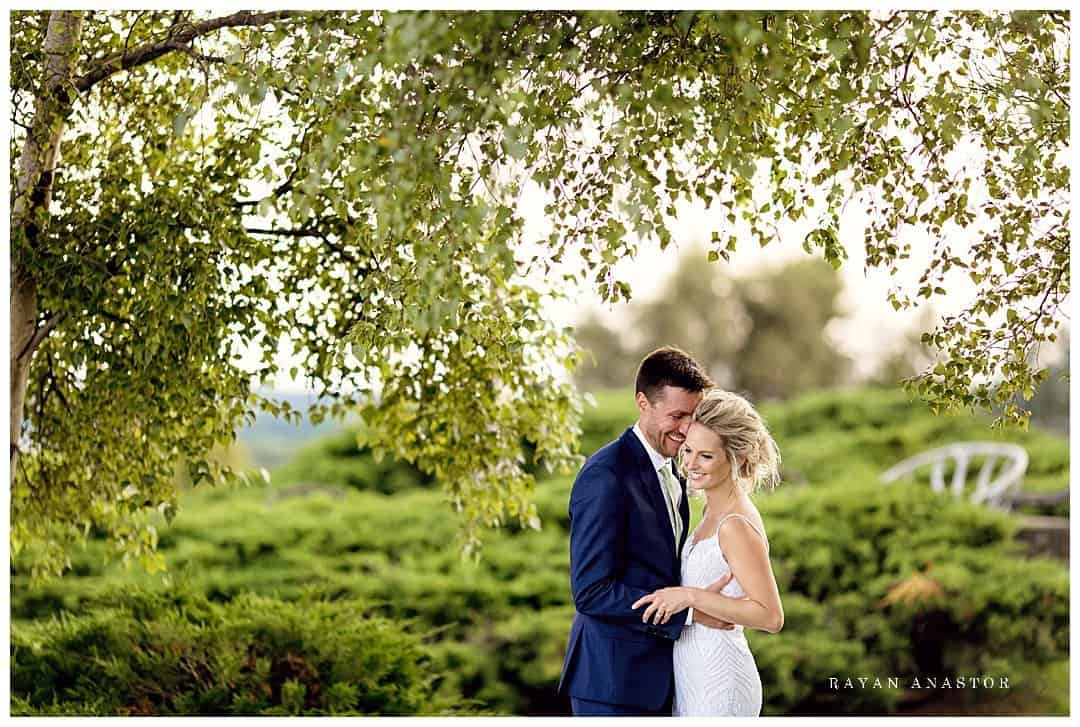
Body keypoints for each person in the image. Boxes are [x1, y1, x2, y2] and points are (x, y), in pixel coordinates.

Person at [557, 347, 735, 716]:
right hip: (612, 684)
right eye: (677, 415)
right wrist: (689, 611)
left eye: (693, 415)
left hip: (664, 678)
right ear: (643, 403)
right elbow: (592, 592)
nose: (687, 429)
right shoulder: (606, 476)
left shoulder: (675, 470)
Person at [632, 388, 784, 716]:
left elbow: (770, 615)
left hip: (720, 679)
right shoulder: (708, 512)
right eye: (687, 451)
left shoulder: (734, 524)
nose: (690, 464)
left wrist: (690, 596)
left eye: (706, 456)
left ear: (737, 458)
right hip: (694, 672)